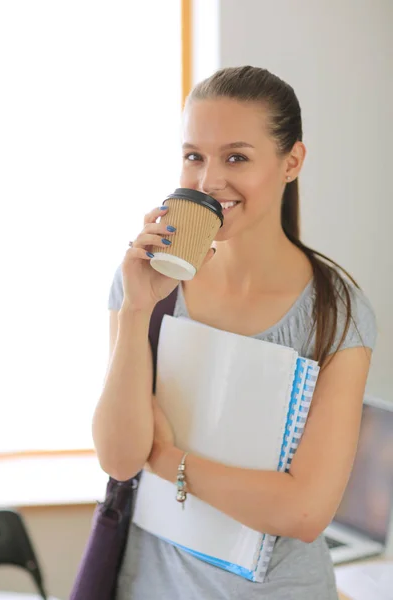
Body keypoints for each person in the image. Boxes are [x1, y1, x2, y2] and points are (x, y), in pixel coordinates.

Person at [92, 66, 377, 600]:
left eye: (237, 157)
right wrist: (135, 308)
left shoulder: (338, 310)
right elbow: (118, 457)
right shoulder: (147, 283)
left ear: (291, 161)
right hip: (151, 587)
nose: (208, 181)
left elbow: (304, 511)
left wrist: (168, 460)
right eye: (194, 155)